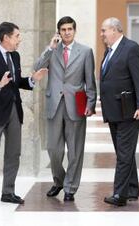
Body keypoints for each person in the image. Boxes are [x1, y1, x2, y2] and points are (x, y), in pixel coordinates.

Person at [0, 22, 48, 208]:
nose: (19, 40)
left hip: (15, 110)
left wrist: (31, 80)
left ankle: (8, 192)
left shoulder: (15, 56)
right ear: (6, 37)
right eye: (17, 36)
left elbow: (16, 82)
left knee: (14, 153)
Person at [34, 16, 96, 202]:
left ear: (74, 31)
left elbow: (90, 81)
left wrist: (90, 104)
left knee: (75, 150)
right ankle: (59, 180)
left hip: (76, 105)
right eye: (63, 30)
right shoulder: (53, 51)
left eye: (70, 29)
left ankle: (70, 187)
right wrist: (50, 48)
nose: (67, 32)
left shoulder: (85, 52)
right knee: (53, 149)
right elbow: (37, 68)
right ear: (58, 32)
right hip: (54, 104)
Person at [99, 17, 139, 206]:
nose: (102, 34)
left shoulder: (131, 48)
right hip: (114, 111)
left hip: (128, 110)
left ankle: (119, 194)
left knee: (123, 153)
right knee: (125, 152)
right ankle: (131, 188)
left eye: (104, 30)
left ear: (115, 30)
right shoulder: (109, 51)